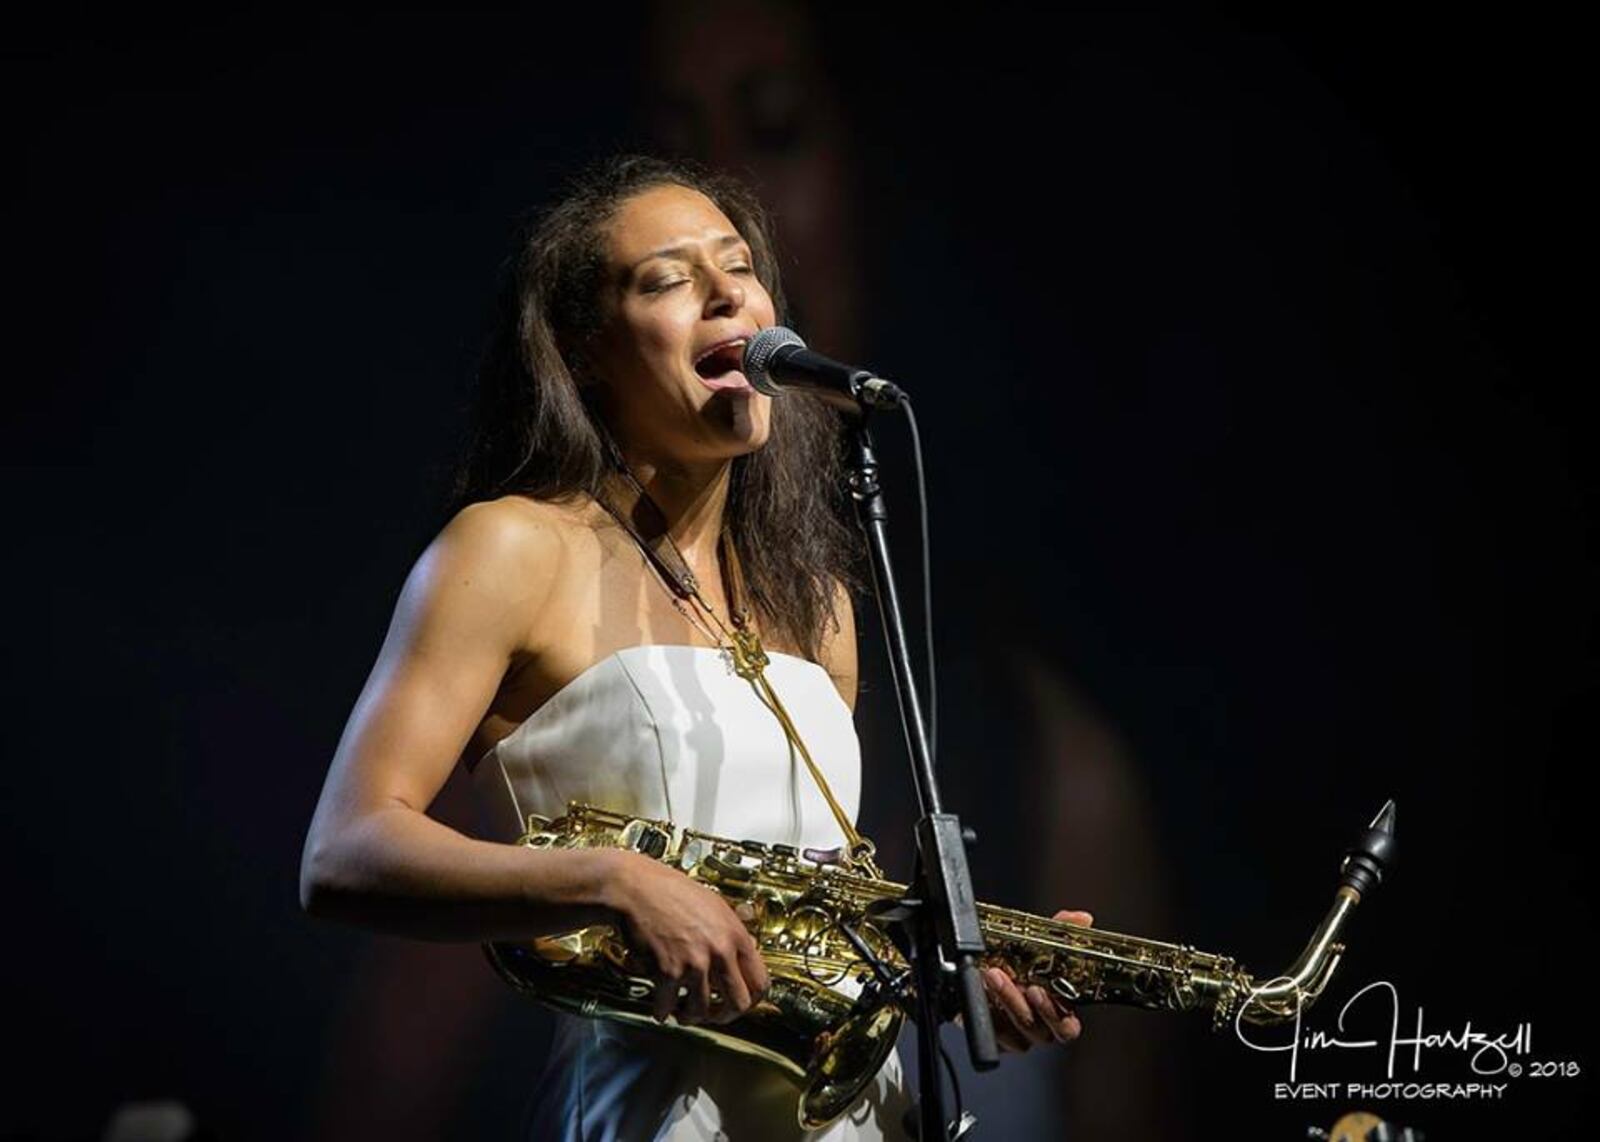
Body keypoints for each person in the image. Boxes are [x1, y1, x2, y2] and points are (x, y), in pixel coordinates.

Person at [299, 153, 1091, 1141]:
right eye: (671, 278)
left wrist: (953, 968)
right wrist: (614, 878)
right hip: (654, 1110)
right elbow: (345, 849)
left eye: (740, 265)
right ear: (586, 348)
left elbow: (813, 914)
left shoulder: (815, 601)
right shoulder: (513, 545)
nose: (729, 292)